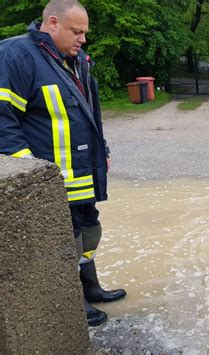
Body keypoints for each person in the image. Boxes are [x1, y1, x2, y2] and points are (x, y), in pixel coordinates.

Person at [0, 0, 125, 326]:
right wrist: (27, 171)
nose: (83, 38)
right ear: (52, 23)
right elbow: (3, 119)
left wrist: (103, 150)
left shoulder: (76, 60)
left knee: (90, 232)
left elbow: (88, 114)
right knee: (64, 242)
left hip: (82, 173)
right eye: (77, 31)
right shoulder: (17, 55)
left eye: (84, 32)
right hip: (51, 178)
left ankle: (91, 288)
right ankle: (73, 304)